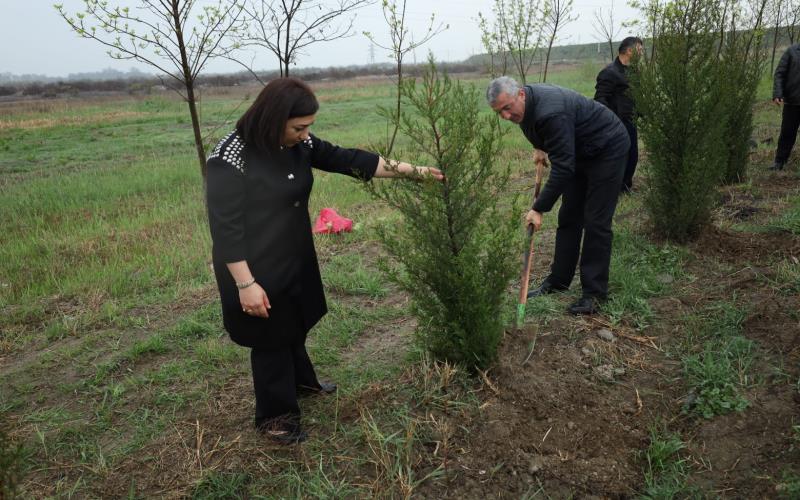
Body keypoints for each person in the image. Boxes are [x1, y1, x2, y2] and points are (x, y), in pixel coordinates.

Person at [206, 77, 443, 444]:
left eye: (309, 127)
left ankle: (302, 383)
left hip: (293, 252)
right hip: (251, 265)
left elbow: (349, 159)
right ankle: (276, 416)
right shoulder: (230, 158)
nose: (305, 135)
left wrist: (416, 173)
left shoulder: (299, 143)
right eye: (299, 127)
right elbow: (225, 231)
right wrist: (245, 284)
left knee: (294, 322)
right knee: (270, 338)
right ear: (273, 119)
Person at [486, 77, 629, 315]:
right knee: (569, 216)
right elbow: (544, 134)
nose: (505, 117)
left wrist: (539, 208)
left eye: (507, 108)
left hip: (607, 147)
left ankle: (594, 294)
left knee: (596, 221)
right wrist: (540, 147)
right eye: (499, 112)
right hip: (578, 151)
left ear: (521, 94)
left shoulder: (550, 112)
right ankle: (559, 281)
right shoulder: (526, 109)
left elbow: (563, 168)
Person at [594, 36, 643, 193]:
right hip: (616, 123)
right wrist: (611, 120)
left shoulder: (634, 71)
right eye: (639, 50)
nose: (641, 53)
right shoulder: (609, 73)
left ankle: (624, 186)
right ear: (629, 51)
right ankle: (615, 188)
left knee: (633, 156)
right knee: (620, 156)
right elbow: (600, 99)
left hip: (631, 121)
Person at [771, 43, 800, 171]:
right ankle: (779, 162)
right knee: (787, 133)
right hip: (792, 102)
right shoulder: (792, 51)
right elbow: (779, 74)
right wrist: (778, 94)